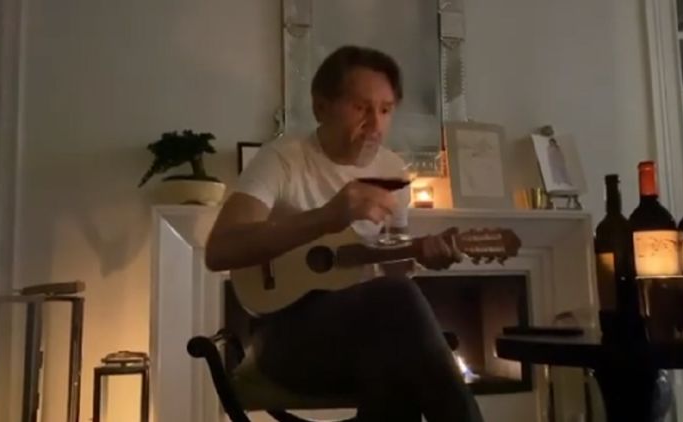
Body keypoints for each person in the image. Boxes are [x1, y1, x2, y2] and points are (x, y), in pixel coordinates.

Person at [205, 45, 484, 422]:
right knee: (402, 332)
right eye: (360, 107)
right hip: (282, 337)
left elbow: (394, 271)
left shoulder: (392, 170)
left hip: (364, 340)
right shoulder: (282, 159)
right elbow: (220, 250)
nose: (375, 124)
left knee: (401, 351)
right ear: (321, 107)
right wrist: (326, 218)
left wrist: (424, 254)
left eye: (385, 110)